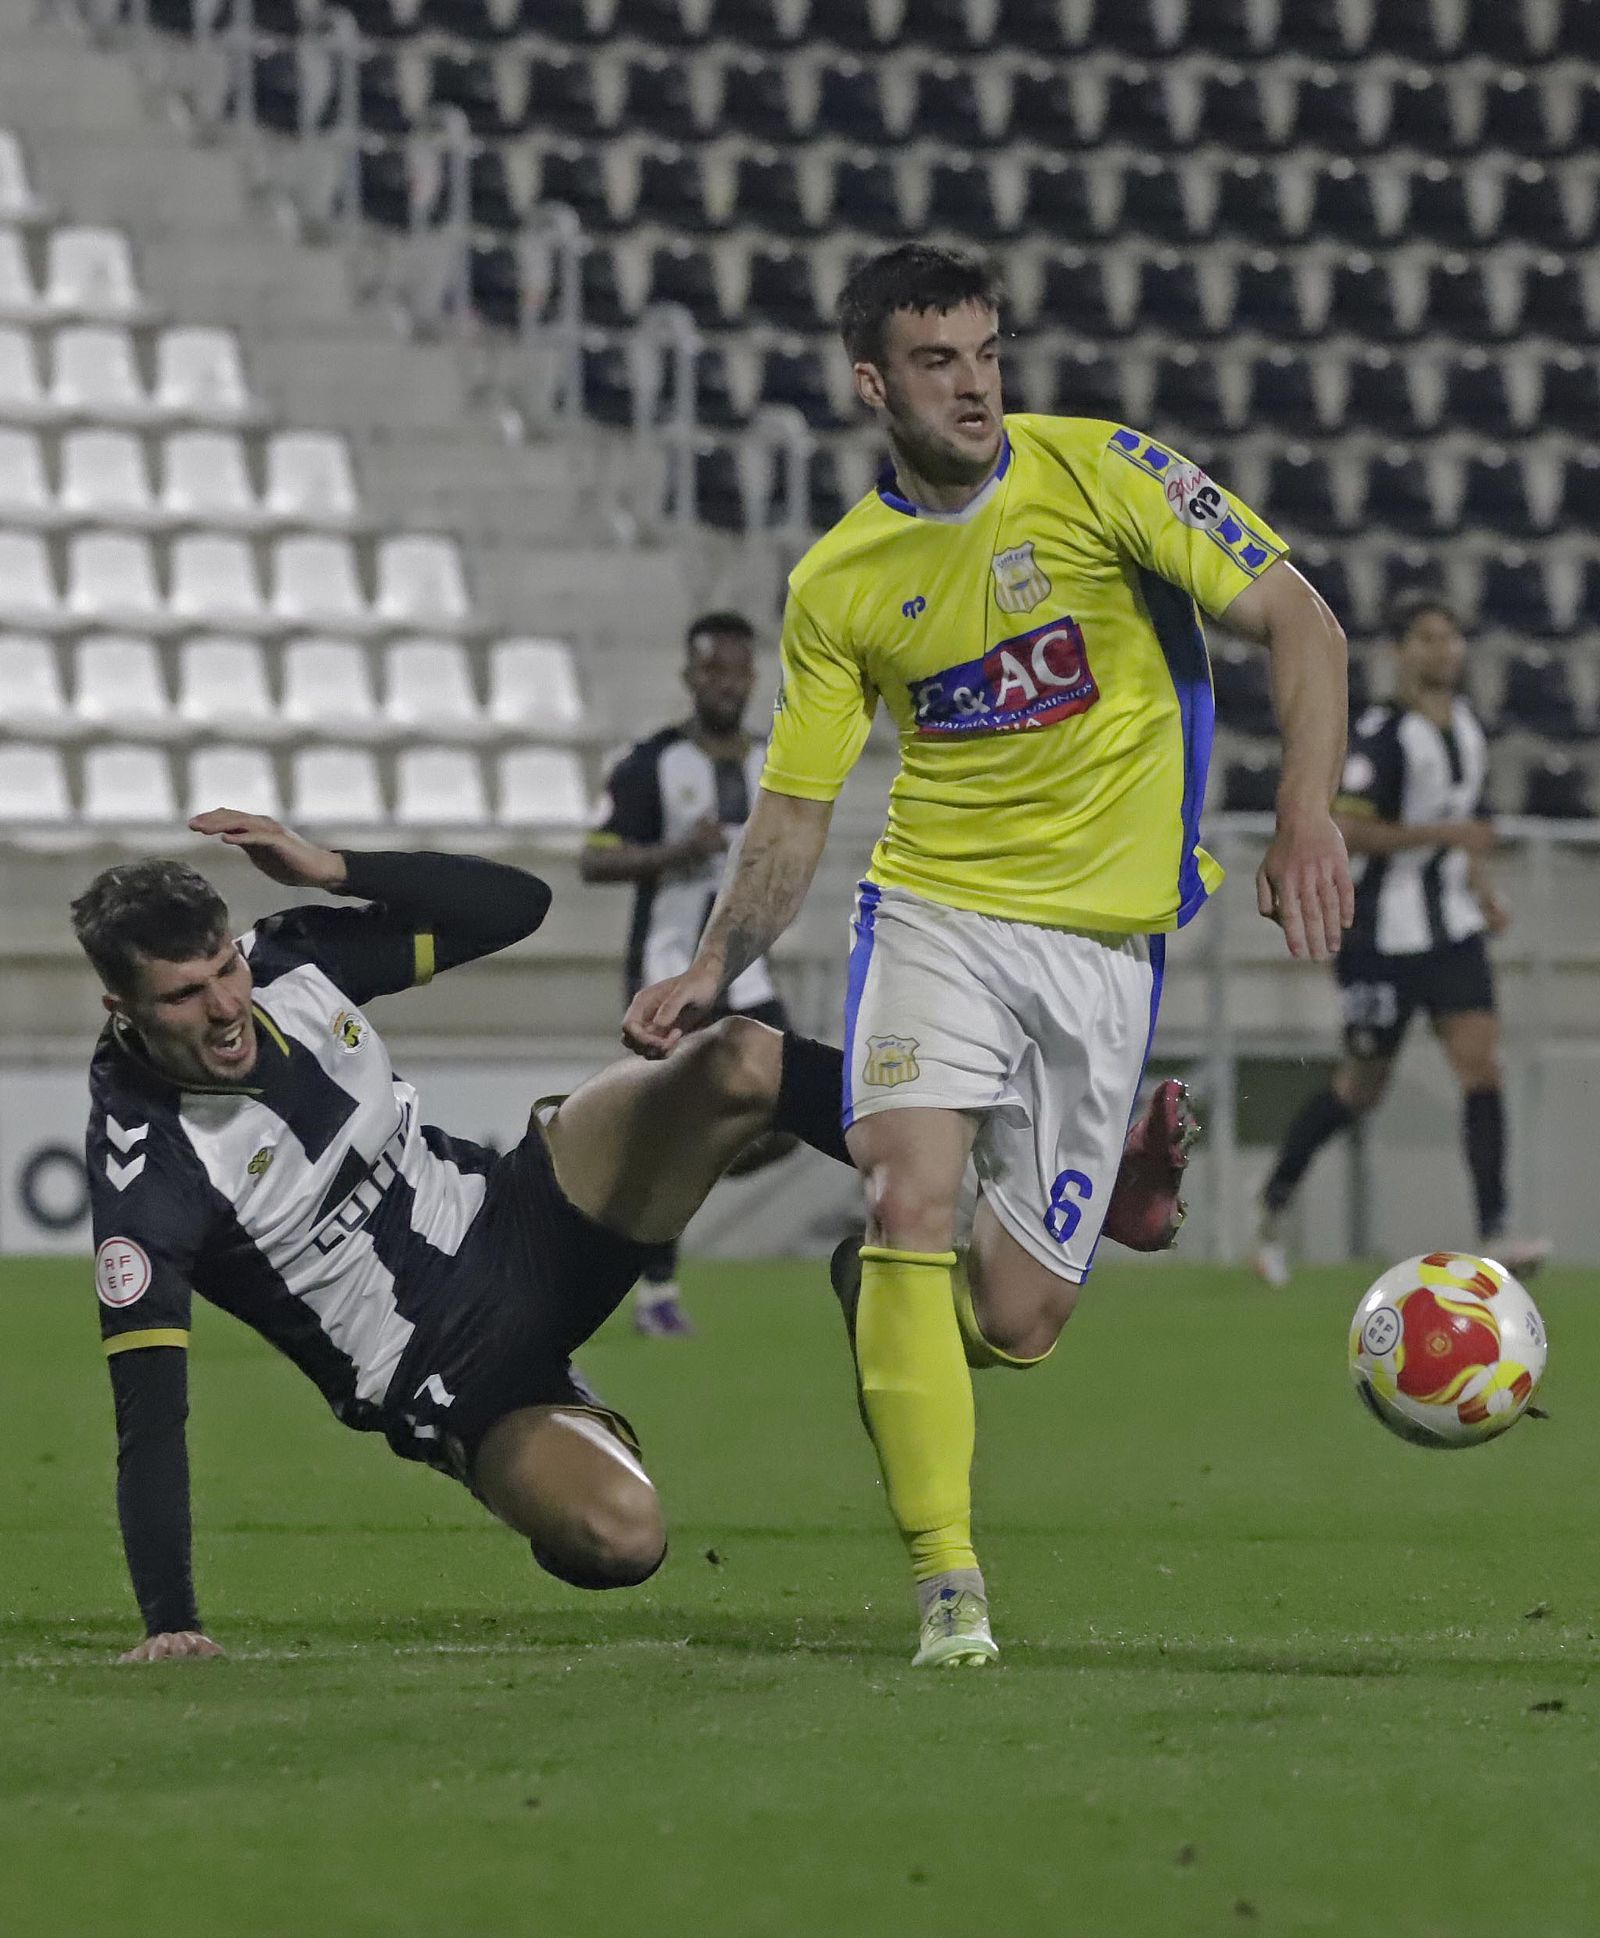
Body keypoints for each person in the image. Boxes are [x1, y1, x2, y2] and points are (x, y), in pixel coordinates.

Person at [625, 242, 1354, 1668]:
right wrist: (719, 959)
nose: (974, 383)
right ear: (872, 382)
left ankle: (1062, 1211)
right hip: (937, 914)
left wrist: (1306, 814)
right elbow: (796, 808)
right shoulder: (839, 580)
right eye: (937, 359)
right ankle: (948, 1583)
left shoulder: (1105, 472)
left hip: (1106, 947)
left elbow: (1299, 618)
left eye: (985, 350)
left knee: (1015, 1322)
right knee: (908, 1190)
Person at [76, 810, 851, 1664]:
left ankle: (925, 1173)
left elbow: (514, 906)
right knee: (623, 1536)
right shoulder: (150, 1171)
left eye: (224, 967)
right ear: (124, 1007)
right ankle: (560, 1424)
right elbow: (150, 1415)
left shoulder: (290, 965)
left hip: (523, 1214)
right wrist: (171, 1621)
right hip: (456, 1377)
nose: (226, 1006)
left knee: (737, 1059)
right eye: (186, 994)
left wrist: (332, 866)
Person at [1252, 596, 1550, 1286]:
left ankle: (1496, 1229)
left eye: (1450, 638)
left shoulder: (1470, 728)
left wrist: (1480, 892)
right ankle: (1271, 1209)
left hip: (1452, 933)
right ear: (1400, 652)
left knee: (1482, 1069)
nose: (1442, 650)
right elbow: (1348, 827)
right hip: (1381, 937)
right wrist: (1446, 839)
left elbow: (1463, 824)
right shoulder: (1382, 733)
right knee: (1359, 1089)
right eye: (1426, 638)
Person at [581, 611, 797, 1335]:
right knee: (668, 1128)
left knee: (790, 1110)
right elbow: (596, 858)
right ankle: (656, 1295)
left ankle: (688, 1170)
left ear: (753, 676)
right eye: (711, 670)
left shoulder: (778, 758)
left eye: (736, 670)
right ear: (688, 675)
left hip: (750, 974)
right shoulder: (653, 763)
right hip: (669, 970)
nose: (725, 684)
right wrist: (675, 852)